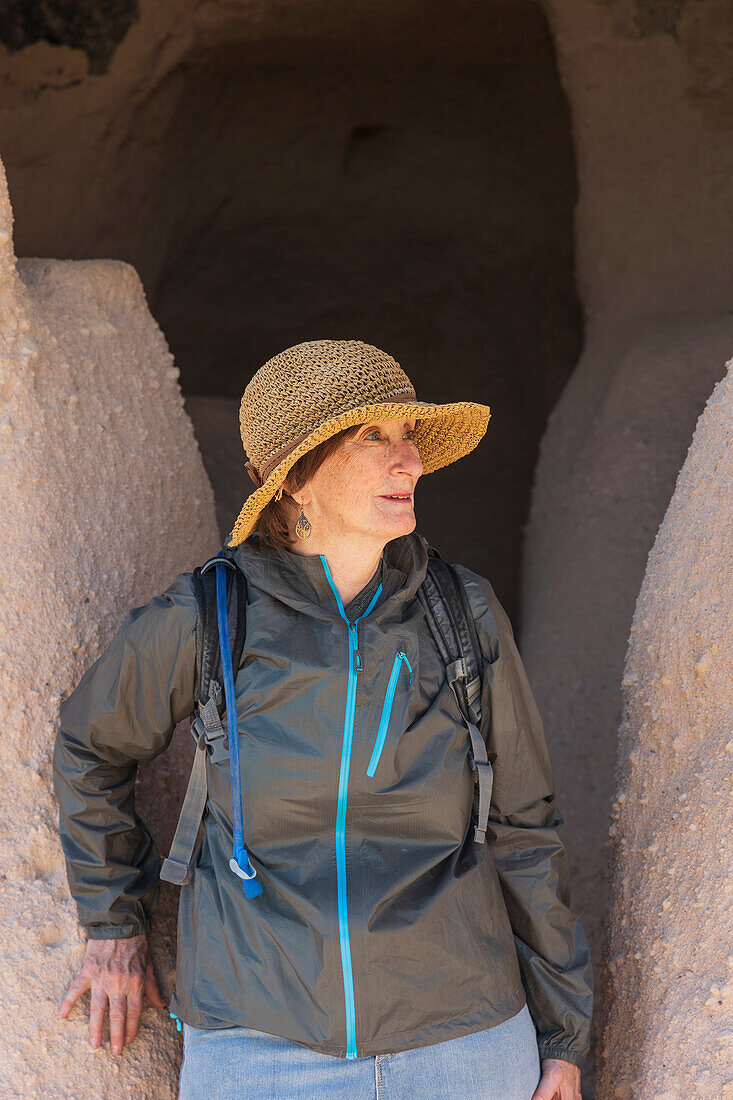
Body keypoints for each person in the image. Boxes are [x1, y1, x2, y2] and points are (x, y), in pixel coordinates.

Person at [54, 339, 593, 1099]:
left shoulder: (460, 613)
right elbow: (90, 746)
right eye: (373, 437)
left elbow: (524, 829)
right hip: (258, 1048)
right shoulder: (208, 616)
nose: (406, 461)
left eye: (406, 437)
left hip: (464, 1041)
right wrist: (115, 926)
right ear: (294, 481)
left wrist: (563, 1039)